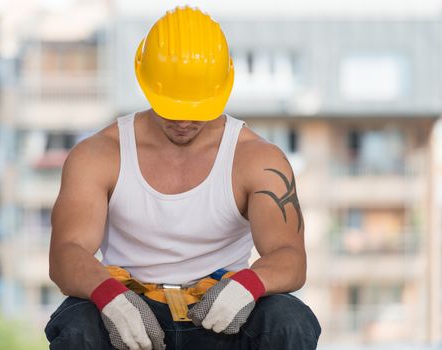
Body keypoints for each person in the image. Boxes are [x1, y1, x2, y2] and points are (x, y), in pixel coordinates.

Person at [45, 5, 321, 350]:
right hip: (128, 312)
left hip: (223, 310)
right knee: (77, 326)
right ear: (146, 84)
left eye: (197, 110)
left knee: (289, 320)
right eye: (172, 108)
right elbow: (66, 253)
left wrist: (249, 284)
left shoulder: (257, 159)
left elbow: (290, 256)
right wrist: (108, 296)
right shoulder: (99, 154)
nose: (184, 122)